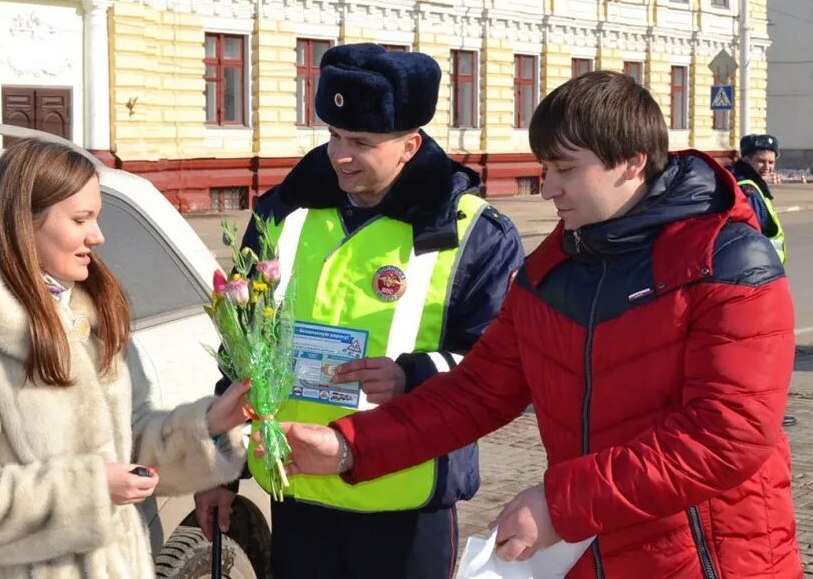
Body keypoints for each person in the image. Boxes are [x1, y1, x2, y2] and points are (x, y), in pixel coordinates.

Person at [273, 71, 800, 578]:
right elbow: (476, 392)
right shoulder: (553, 270)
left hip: (712, 558)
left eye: (566, 170)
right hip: (587, 551)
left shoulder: (726, 260)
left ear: (633, 163)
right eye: (544, 168)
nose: (547, 188)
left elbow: (727, 435)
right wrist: (349, 446)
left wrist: (558, 504)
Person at [195, 43, 524, 579]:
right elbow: (242, 351)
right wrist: (220, 468)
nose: (340, 155)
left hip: (405, 499)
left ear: (410, 145)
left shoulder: (475, 234)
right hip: (297, 489)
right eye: (334, 136)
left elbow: (501, 365)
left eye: (361, 142)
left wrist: (411, 374)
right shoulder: (283, 214)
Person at [0, 139, 251, 579]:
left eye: (96, 217)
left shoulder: (87, 315)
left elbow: (128, 448)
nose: (98, 236)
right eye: (81, 219)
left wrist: (208, 425)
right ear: (24, 225)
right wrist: (90, 490)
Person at [731, 133, 786, 264]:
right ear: (745, 159)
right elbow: (754, 232)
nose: (767, 167)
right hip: (757, 264)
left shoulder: (753, 184)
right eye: (761, 161)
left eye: (771, 162)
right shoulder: (748, 190)